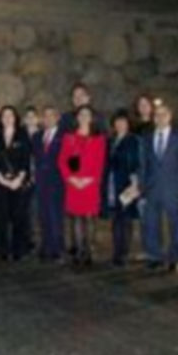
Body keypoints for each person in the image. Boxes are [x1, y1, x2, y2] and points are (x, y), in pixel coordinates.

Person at [141, 103, 178, 273]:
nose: (160, 117)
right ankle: (154, 256)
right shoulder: (147, 137)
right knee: (151, 224)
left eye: (163, 114)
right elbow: (144, 164)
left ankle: (175, 257)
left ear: (170, 116)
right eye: (157, 114)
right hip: (152, 188)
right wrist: (142, 187)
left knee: (176, 225)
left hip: (174, 188)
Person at [58, 104, 107, 265]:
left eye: (87, 114)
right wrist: (70, 178)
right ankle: (79, 251)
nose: (84, 117)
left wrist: (89, 179)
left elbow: (100, 162)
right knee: (76, 218)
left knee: (90, 217)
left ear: (92, 118)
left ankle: (89, 251)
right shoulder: (69, 137)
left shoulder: (99, 138)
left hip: (90, 184)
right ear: (77, 118)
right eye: (81, 114)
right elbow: (62, 160)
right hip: (73, 183)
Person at [0, 105, 33, 261]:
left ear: (16, 118)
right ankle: (2, 250)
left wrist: (18, 179)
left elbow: (26, 160)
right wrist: (3, 180)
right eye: (4, 116)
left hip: (18, 182)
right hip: (0, 182)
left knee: (19, 217)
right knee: (0, 217)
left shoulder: (23, 135)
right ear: (0, 119)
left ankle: (19, 250)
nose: (7, 118)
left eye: (10, 115)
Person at [103, 110, 141, 267]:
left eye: (123, 121)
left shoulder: (133, 140)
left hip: (127, 184)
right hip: (112, 183)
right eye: (117, 121)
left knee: (125, 220)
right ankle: (116, 253)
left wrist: (135, 185)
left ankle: (123, 254)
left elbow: (137, 163)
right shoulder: (111, 140)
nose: (120, 124)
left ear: (128, 123)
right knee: (116, 219)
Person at [33, 106, 66, 262]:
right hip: (41, 181)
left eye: (51, 115)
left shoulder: (64, 136)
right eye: (45, 116)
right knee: (43, 215)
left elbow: (72, 159)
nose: (48, 119)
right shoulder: (37, 136)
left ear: (57, 117)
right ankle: (46, 246)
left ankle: (57, 249)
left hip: (58, 181)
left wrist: (70, 177)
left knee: (56, 216)